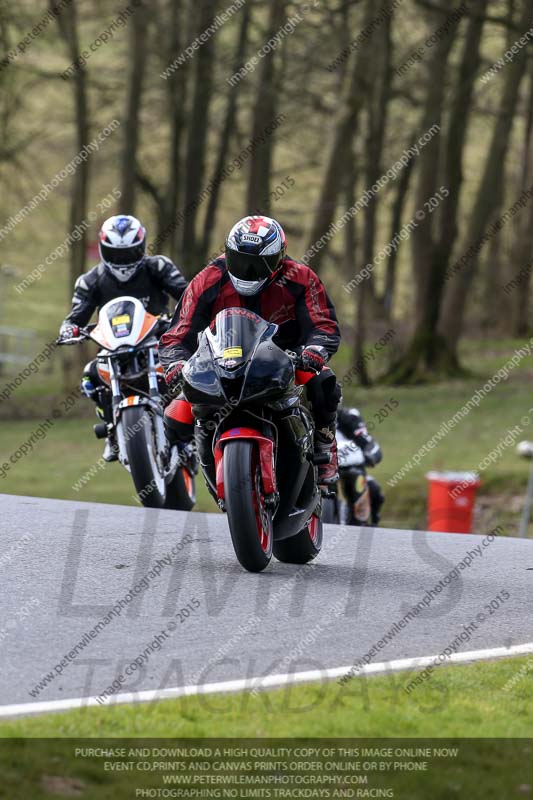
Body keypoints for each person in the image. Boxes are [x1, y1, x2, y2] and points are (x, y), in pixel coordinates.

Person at [159, 215, 342, 484]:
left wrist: (315, 350)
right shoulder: (208, 279)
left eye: (257, 263)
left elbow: (323, 323)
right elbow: (177, 334)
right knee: (174, 416)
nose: (247, 269)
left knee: (324, 382)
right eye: (239, 259)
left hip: (285, 360)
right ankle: (194, 458)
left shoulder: (301, 278)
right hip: (222, 361)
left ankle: (325, 445)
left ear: (279, 259)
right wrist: (176, 364)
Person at [59, 214, 187, 461]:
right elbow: (77, 314)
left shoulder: (158, 267)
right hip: (113, 347)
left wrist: (185, 317)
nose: (122, 261)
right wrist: (69, 328)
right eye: (116, 254)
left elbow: (186, 294)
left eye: (129, 253)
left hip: (157, 340)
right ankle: (110, 429)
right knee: (90, 374)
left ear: (141, 248)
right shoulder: (90, 280)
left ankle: (187, 422)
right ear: (103, 250)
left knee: (186, 367)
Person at [337, 406, 384, 524]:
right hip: (318, 470)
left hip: (349, 469)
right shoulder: (304, 417)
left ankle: (363, 523)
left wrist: (371, 455)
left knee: (373, 487)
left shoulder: (349, 417)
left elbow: (370, 444)